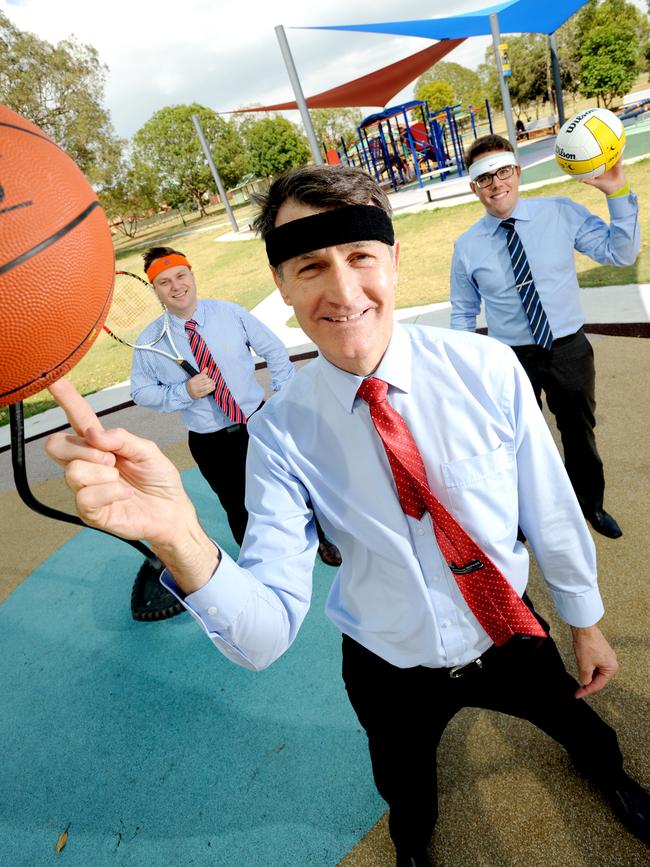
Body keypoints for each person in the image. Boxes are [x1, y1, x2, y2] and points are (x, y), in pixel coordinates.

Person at [46, 165, 649, 867]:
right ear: (281, 283)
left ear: (393, 259)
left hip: (507, 625)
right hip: (387, 660)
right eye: (310, 265)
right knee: (405, 784)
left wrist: (584, 618)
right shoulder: (280, 434)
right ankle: (413, 845)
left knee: (579, 724)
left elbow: (549, 508)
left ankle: (613, 774)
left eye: (359, 256)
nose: (341, 290)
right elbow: (264, 634)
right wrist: (180, 537)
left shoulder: (486, 368)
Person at [450, 134, 640, 540]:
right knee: (517, 443)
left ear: (517, 172)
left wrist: (617, 193)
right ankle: (527, 516)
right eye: (484, 177)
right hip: (509, 358)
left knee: (578, 432)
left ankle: (590, 504)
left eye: (503, 171)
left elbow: (620, 254)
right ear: (474, 187)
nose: (496, 183)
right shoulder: (466, 246)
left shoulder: (561, 213)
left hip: (568, 348)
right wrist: (462, 371)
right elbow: (463, 312)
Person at [131, 246, 341, 566]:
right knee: (237, 504)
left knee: (293, 482)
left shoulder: (229, 313)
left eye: (181, 275)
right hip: (209, 440)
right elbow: (141, 392)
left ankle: (320, 537)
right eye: (164, 282)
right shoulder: (151, 341)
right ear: (154, 289)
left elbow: (275, 351)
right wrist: (183, 391)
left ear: (191, 275)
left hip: (258, 420)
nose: (176, 287)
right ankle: (260, 563)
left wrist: (281, 399)